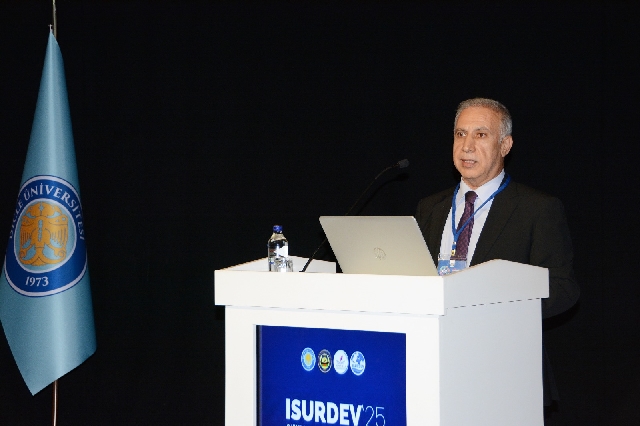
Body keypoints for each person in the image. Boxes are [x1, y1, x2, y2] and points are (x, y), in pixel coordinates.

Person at [415, 98, 580, 406]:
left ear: (505, 145)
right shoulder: (430, 208)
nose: (467, 146)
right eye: (460, 134)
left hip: (506, 371)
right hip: (433, 362)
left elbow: (563, 288)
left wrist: (498, 306)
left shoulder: (537, 209)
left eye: (481, 134)